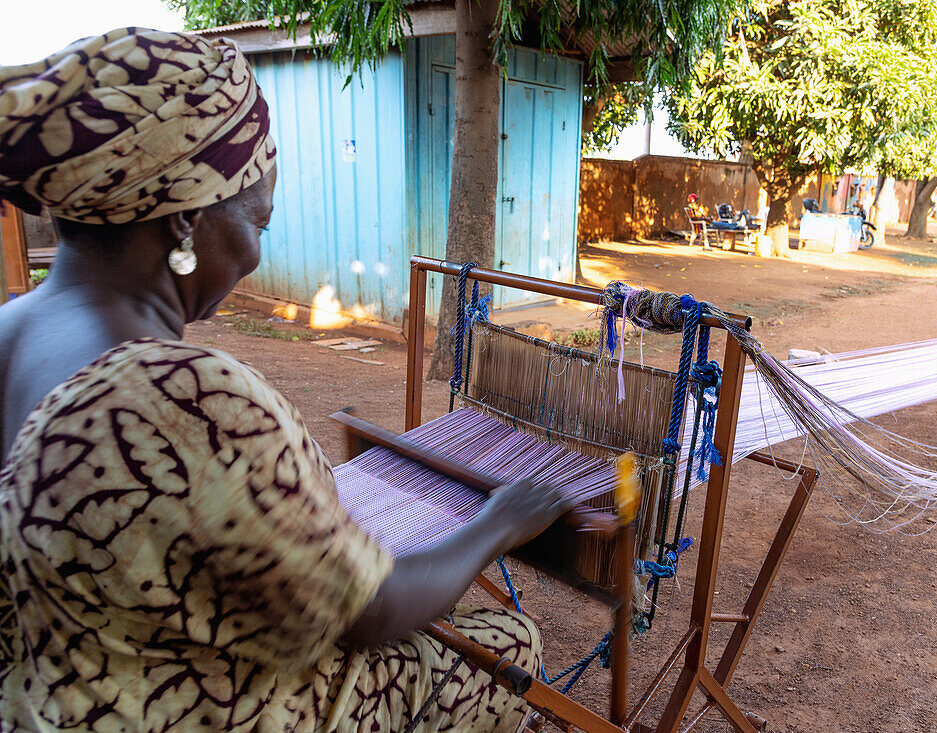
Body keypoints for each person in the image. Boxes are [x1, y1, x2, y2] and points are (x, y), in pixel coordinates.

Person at [0, 28, 570, 732]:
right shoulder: (176, 396)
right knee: (506, 644)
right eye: (256, 221)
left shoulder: (9, 332)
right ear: (184, 218)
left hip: (53, 688)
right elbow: (371, 612)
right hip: (180, 707)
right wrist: (498, 522)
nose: (253, 254)